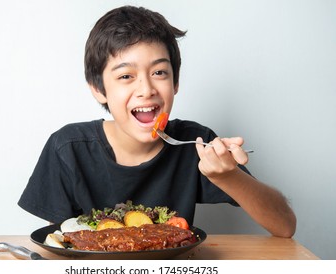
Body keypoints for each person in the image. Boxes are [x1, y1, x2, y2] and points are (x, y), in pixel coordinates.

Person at [18, 5, 296, 237]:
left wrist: (228, 175)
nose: (146, 89)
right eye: (126, 76)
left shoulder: (195, 144)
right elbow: (56, 244)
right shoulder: (67, 148)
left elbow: (285, 226)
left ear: (175, 82)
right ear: (98, 88)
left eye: (160, 72)